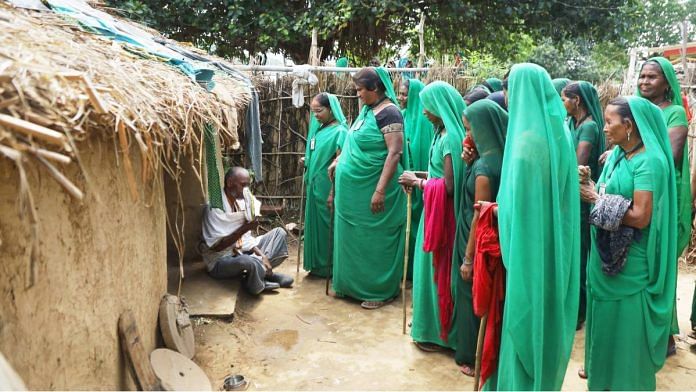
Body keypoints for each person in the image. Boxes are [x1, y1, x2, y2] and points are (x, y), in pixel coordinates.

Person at [485, 63, 580, 390]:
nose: (506, 96)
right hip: (553, 244)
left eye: (509, 88)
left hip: (529, 248)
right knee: (546, 317)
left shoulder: (526, 143)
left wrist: (496, 211)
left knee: (525, 319)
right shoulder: (558, 132)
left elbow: (520, 208)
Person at [580, 96, 677, 390]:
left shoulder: (649, 162)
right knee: (607, 326)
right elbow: (613, 195)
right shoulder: (621, 154)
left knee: (626, 331)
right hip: (607, 258)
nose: (605, 128)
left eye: (610, 122)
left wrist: (596, 199)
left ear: (629, 125)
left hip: (629, 265)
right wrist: (591, 185)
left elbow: (640, 216)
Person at [398, 81, 467, 361]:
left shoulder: (451, 137)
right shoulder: (440, 133)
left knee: (440, 272)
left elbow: (449, 186)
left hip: (445, 216)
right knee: (427, 271)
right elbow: (438, 175)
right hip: (433, 210)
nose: (424, 111)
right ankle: (429, 326)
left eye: (429, 106)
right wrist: (422, 179)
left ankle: (442, 333)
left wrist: (419, 182)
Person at [329, 67, 407, 309]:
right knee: (352, 238)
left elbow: (394, 153)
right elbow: (352, 142)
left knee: (373, 240)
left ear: (375, 88)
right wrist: (338, 161)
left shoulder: (390, 113)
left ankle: (379, 291)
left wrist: (380, 190)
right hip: (352, 196)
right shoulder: (367, 111)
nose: (358, 94)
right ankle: (350, 285)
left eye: (361, 89)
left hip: (374, 189)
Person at [636, 57, 691, 355]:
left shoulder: (675, 114)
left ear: (666, 82)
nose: (645, 81)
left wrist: (632, 154)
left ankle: (663, 333)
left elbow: (670, 153)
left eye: (652, 77)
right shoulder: (632, 107)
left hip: (662, 197)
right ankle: (637, 328)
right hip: (637, 192)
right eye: (643, 76)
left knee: (659, 259)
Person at [458, 99, 508, 377]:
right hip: (493, 240)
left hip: (477, 241)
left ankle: (470, 355)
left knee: (472, 295)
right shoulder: (500, 158)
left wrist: (467, 258)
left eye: (471, 129)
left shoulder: (484, 170)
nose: (467, 136)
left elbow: (480, 215)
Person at [201, 167, 293, 294]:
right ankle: (256, 282)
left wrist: (263, 256)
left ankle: (260, 274)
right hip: (221, 261)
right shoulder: (214, 208)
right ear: (229, 183)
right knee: (246, 261)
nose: (246, 190)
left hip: (240, 251)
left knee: (279, 233)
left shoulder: (242, 203)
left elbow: (246, 240)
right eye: (243, 185)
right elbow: (217, 247)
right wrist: (245, 227)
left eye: (248, 186)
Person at [561, 81, 605, 329]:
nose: (563, 103)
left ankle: (579, 309)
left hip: (581, 198)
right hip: (572, 195)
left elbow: (579, 161)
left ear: (577, 100)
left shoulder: (588, 128)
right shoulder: (572, 123)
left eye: (565, 99)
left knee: (579, 251)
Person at [302, 93, 348, 277]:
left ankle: (331, 267)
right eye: (313, 112)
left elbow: (341, 164)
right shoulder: (319, 131)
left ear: (331, 109)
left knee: (328, 227)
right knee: (316, 227)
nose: (316, 115)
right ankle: (317, 265)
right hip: (314, 187)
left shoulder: (340, 132)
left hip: (327, 188)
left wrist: (333, 192)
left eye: (319, 111)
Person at [398, 78, 435, 278]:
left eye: (404, 94)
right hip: (405, 182)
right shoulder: (401, 116)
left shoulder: (427, 124)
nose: (400, 98)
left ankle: (416, 271)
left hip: (422, 184)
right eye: (400, 93)